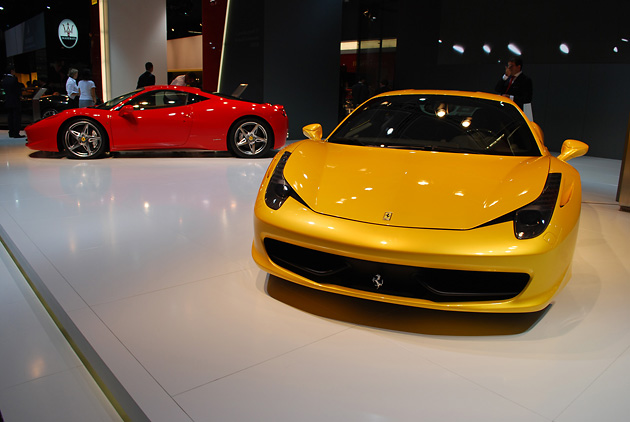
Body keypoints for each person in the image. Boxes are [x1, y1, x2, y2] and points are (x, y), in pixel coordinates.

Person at [1, 65, 24, 138]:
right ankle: (16, 133)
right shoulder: (14, 79)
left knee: (10, 117)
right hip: (15, 100)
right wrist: (20, 96)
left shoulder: (4, 80)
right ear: (12, 71)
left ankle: (11, 132)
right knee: (16, 117)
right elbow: (16, 89)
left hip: (8, 100)